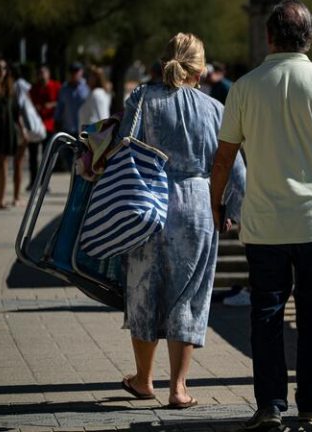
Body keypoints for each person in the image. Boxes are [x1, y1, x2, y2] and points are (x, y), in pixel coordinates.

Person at [210, 0, 312, 429]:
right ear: (310, 38)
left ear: (268, 36)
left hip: (264, 224)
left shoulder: (243, 87)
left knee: (266, 314)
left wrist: (216, 205)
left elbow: (223, 160)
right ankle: (311, 403)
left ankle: (269, 406)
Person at [119, 33, 244, 409]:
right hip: (197, 205)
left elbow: (125, 144)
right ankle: (178, 387)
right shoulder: (214, 109)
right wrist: (233, 210)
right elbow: (232, 167)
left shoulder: (143, 99)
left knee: (144, 289)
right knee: (188, 295)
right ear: (201, 70)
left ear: (164, 63)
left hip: (149, 202)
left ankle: (143, 379)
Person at [0, 59, 25, 209]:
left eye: (4, 68)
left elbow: (17, 113)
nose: (1, 71)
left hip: (6, 131)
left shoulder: (10, 88)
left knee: (3, 165)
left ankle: (1, 199)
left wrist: (23, 131)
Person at [28, 65, 60, 189]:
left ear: (48, 73)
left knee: (47, 155)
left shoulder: (55, 86)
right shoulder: (33, 89)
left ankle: (45, 183)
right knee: (33, 155)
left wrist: (51, 105)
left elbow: (60, 102)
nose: (41, 76)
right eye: (39, 73)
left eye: (43, 73)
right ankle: (33, 181)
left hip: (49, 125)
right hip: (35, 126)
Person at [11, 64, 32, 204]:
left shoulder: (14, 86)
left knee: (14, 162)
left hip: (14, 126)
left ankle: (14, 195)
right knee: (18, 162)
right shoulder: (22, 85)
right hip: (19, 126)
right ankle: (16, 196)